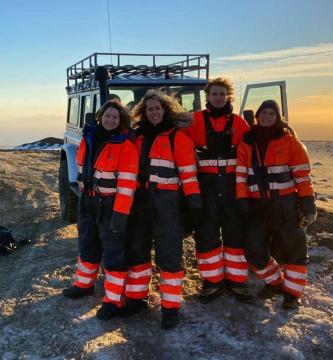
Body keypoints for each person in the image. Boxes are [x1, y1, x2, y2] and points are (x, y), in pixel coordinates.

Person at [122, 89, 201, 329]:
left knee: (169, 254)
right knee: (137, 251)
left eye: (157, 108)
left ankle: (170, 307)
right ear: (143, 112)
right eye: (149, 109)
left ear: (165, 110)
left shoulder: (178, 137)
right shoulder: (137, 136)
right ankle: (136, 299)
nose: (154, 112)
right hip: (140, 202)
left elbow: (188, 175)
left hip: (167, 203)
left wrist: (194, 205)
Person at [235, 99, 316, 309]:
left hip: (285, 205)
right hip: (257, 206)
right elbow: (241, 175)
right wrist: (243, 200)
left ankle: (292, 294)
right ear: (257, 116)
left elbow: (303, 176)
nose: (267, 116)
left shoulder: (290, 142)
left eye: (271, 113)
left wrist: (308, 202)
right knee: (253, 249)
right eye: (264, 113)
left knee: (294, 249)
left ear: (277, 117)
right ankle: (275, 282)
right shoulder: (247, 142)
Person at [62, 101, 139, 320]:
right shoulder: (90, 136)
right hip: (88, 201)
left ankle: (114, 300)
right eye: (107, 116)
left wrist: (120, 214)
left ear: (121, 119)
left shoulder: (125, 144)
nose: (111, 120)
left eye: (115, 117)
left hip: (110, 204)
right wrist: (83, 197)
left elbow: (127, 183)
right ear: (100, 117)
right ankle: (84, 284)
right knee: (87, 244)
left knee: (113, 254)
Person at [182, 77, 252, 303]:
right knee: (207, 235)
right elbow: (181, 145)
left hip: (232, 188)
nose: (219, 98)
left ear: (228, 96)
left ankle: (236, 282)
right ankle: (212, 282)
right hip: (206, 189)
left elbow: (250, 153)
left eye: (222, 94)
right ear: (207, 96)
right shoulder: (194, 121)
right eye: (214, 94)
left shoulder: (240, 123)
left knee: (235, 235)